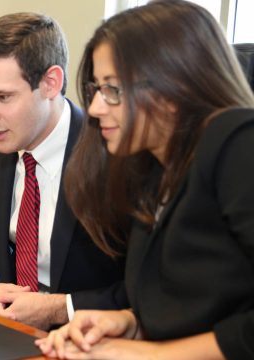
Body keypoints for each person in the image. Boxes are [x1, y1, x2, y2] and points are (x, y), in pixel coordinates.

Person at [37, 1, 254, 359]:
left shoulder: (237, 140)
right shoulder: (154, 172)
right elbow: (199, 306)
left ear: (175, 85)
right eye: (97, 89)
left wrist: (147, 354)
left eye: (114, 90)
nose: (94, 108)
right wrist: (129, 322)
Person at [0, 12, 126, 331]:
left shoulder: (112, 155)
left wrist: (59, 308)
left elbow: (141, 287)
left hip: (92, 337)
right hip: (9, 333)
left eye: (3, 97)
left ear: (50, 83)